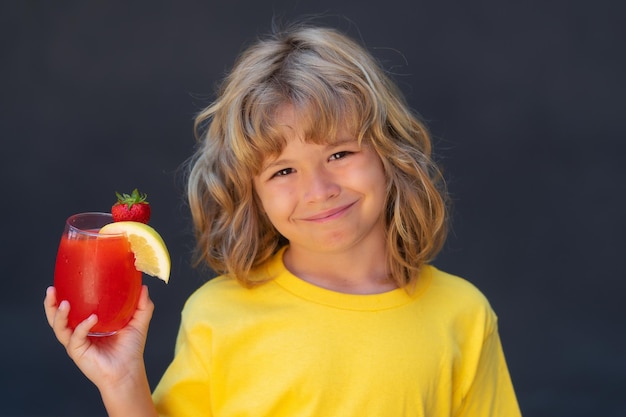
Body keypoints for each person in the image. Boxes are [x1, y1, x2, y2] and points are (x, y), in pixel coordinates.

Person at [44, 23, 522, 416]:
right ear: (251, 193)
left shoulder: (463, 315)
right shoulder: (217, 314)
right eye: (284, 170)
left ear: (389, 153)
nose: (318, 190)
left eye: (339, 152)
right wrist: (123, 381)